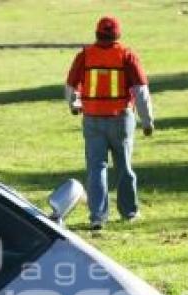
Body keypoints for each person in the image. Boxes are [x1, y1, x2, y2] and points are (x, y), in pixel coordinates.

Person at [65, 15, 154, 230]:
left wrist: (75, 106)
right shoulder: (126, 55)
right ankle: (129, 212)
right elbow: (140, 91)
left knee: (96, 168)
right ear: (117, 35)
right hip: (121, 119)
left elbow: (71, 86)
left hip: (92, 119)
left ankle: (97, 216)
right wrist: (147, 121)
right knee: (124, 167)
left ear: (97, 33)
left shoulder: (85, 56)